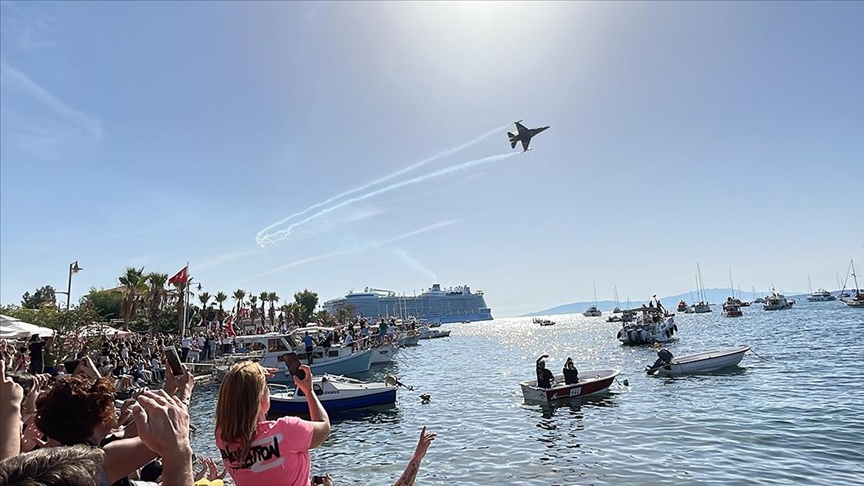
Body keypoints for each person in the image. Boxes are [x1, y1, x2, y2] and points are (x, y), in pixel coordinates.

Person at [215, 361, 330, 486]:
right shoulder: (287, 431)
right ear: (260, 397)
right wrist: (309, 391)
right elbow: (324, 427)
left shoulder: (223, 437)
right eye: (267, 387)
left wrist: (252, 374)